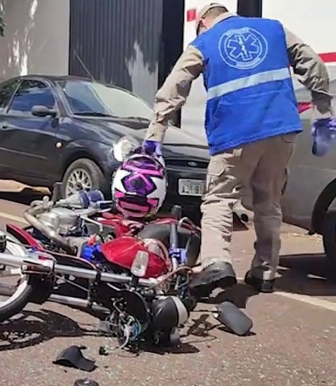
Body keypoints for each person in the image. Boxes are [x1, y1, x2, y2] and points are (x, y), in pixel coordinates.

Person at [142, 3, 332, 295]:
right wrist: (323, 109)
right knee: (268, 202)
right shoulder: (275, 29)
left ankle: (216, 262)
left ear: (203, 22)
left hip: (235, 132)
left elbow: (174, 86)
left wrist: (155, 134)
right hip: (281, 128)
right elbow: (313, 64)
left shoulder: (203, 42)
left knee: (219, 199)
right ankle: (264, 272)